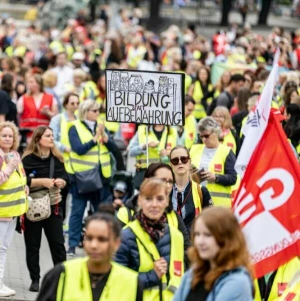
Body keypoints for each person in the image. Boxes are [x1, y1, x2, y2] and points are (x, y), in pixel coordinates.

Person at [37, 212, 143, 301]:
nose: (94, 245)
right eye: (89, 238)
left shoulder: (132, 282)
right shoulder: (61, 274)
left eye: (102, 239)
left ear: (116, 243)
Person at [115, 178, 185, 301]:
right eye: (148, 199)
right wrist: (152, 276)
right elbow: (117, 282)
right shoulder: (125, 237)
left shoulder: (176, 236)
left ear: (167, 202)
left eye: (159, 199)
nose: (154, 204)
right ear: (140, 201)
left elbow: (179, 280)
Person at [67, 100, 117, 256]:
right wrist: (95, 138)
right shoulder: (74, 127)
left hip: (101, 177)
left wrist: (106, 139)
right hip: (82, 178)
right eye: (94, 111)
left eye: (98, 111)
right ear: (86, 111)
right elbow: (79, 149)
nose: (97, 113)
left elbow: (114, 149)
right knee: (77, 211)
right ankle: (72, 245)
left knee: (102, 213)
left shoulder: (101, 126)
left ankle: (103, 242)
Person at [22, 126, 69, 292]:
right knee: (33, 245)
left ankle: (61, 279)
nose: (51, 138)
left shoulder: (57, 158)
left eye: (52, 135)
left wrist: (62, 182)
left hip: (53, 207)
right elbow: (21, 181)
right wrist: (41, 182)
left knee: (58, 245)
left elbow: (65, 177)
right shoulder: (27, 160)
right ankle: (35, 280)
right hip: (33, 208)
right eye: (47, 136)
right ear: (38, 139)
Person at [173, 207, 254, 301]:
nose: (200, 241)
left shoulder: (238, 283)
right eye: (197, 234)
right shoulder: (192, 274)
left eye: (207, 235)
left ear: (226, 239)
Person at [117, 162, 191, 255]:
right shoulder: (126, 213)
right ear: (146, 181)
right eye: (162, 180)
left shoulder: (174, 216)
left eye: (170, 181)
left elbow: (187, 251)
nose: (167, 185)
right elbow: (116, 253)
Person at [0, 122, 28, 297]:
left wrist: (25, 187)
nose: (8, 138)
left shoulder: (15, 155)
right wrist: (9, 169)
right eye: (4, 135)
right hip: (1, 212)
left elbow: (22, 176)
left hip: (12, 212)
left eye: (11, 136)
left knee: (3, 248)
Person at [190, 117, 237, 207]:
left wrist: (215, 177)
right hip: (196, 201)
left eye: (206, 136)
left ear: (216, 133)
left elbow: (233, 178)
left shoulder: (226, 151)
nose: (204, 139)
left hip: (218, 205)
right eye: (201, 136)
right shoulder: (194, 149)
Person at [169, 146, 213, 233]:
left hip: (193, 242)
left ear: (189, 162)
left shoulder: (201, 191)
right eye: (175, 161)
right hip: (171, 243)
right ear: (171, 165)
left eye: (184, 159)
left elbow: (211, 221)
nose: (180, 163)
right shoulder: (165, 191)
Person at [129, 124, 177, 189]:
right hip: (145, 173)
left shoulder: (172, 131)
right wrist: (145, 146)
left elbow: (181, 151)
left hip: (165, 173)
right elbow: (131, 152)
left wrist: (169, 153)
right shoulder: (142, 130)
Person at [18, 74, 58, 138]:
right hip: (27, 133)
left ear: (38, 83)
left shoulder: (50, 97)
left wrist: (48, 113)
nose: (29, 84)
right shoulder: (23, 98)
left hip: (44, 133)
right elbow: (18, 115)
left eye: (31, 82)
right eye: (28, 82)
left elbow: (56, 117)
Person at [49, 92, 79, 167]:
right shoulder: (57, 119)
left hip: (77, 161)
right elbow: (51, 140)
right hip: (61, 159)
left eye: (77, 103)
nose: (75, 105)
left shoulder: (80, 120)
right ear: (66, 104)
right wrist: (64, 148)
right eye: (72, 103)